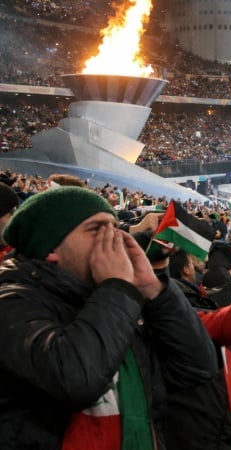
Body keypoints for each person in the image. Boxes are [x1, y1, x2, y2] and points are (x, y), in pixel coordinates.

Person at [0, 186, 218, 449]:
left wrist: (155, 290)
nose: (115, 239)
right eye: (96, 229)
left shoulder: (118, 299)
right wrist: (117, 287)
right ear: (51, 247)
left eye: (115, 228)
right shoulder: (11, 300)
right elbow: (75, 380)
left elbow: (196, 367)